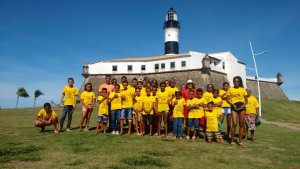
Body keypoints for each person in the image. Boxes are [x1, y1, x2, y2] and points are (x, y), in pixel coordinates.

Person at [226, 76, 248, 146]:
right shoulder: (230, 89)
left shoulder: (243, 89)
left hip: (242, 106)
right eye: (235, 81)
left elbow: (246, 100)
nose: (236, 82)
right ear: (233, 82)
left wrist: (244, 105)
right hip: (234, 106)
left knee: (241, 124)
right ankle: (232, 140)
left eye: (237, 81)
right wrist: (232, 104)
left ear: (240, 82)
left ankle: (240, 141)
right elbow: (227, 99)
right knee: (234, 124)